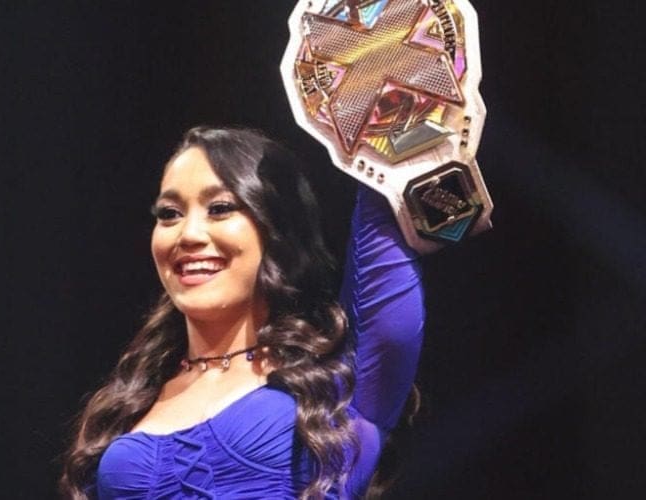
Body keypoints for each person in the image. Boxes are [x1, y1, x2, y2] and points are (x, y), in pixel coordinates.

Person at [60, 126, 424, 499]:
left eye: (219, 208)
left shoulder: (336, 385)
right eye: (169, 213)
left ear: (276, 228)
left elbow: (391, 326)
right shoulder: (128, 402)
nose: (188, 234)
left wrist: (382, 138)